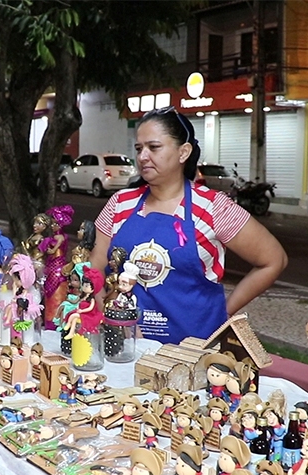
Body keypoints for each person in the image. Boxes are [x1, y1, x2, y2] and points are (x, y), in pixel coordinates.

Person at [91, 106, 287, 344]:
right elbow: (95, 269)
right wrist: (112, 319)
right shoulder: (119, 203)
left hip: (193, 353)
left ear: (184, 152)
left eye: (154, 147)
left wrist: (223, 313)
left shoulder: (214, 207)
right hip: (127, 350)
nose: (143, 156)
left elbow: (273, 260)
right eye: (139, 148)